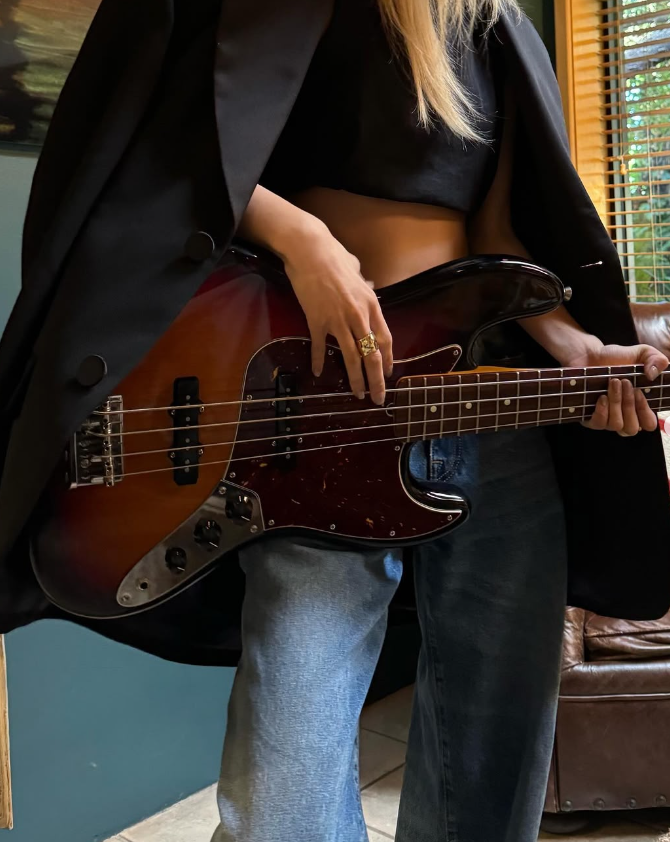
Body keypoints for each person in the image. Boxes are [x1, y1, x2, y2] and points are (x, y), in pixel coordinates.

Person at [1, 0, 670, 841]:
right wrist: (302, 239)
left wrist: (577, 348)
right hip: (315, 415)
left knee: (494, 771)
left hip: (491, 418)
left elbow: (500, 232)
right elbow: (162, 149)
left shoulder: (494, 24)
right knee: (283, 806)